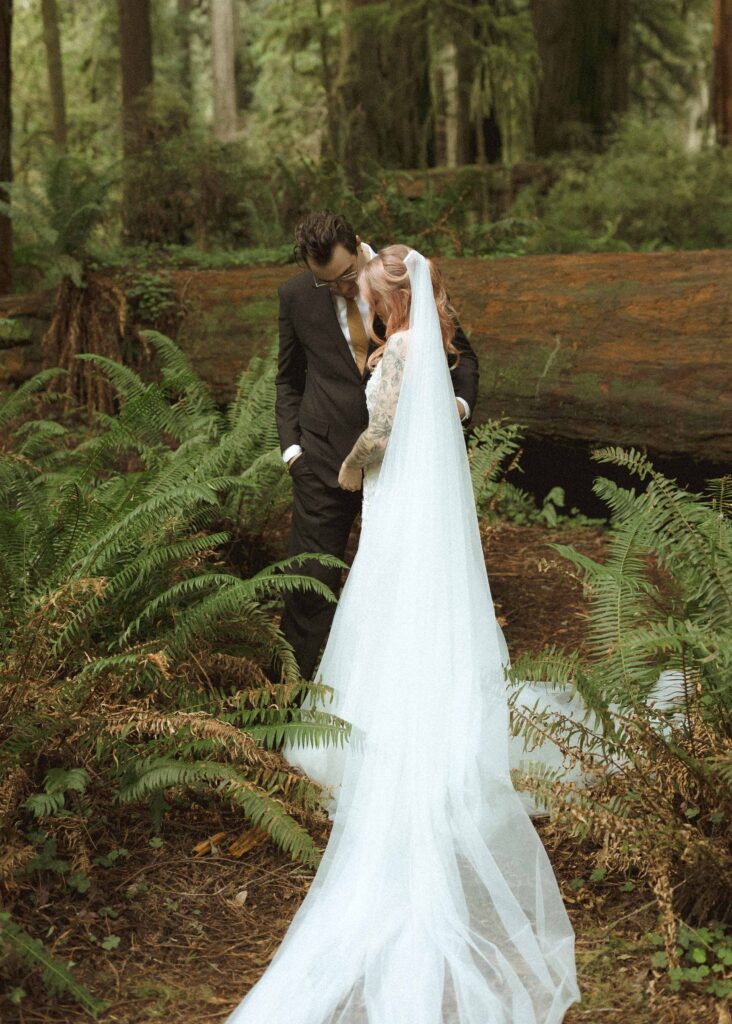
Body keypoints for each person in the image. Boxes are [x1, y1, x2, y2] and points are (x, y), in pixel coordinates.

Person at [225, 246, 580, 1024]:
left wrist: (348, 473)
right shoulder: (434, 349)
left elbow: (378, 436)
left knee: (384, 605)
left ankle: (386, 721)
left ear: (389, 296)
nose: (365, 302)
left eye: (368, 293)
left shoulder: (399, 355)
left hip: (391, 500)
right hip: (426, 507)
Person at [275, 211, 478, 685]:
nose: (341, 289)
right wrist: (293, 453)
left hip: (400, 471)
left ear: (359, 246)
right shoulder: (295, 296)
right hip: (324, 464)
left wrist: (459, 409)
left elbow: (459, 353)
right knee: (308, 587)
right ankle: (280, 711)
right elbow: (287, 379)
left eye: (347, 277)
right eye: (325, 282)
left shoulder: (400, 273)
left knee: (400, 587)